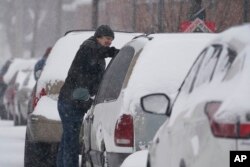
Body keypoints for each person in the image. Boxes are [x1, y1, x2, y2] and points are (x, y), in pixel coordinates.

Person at [56, 25, 119, 167]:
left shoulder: (95, 53)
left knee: (67, 141)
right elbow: (98, 51)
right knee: (71, 145)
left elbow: (95, 77)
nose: (109, 42)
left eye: (111, 40)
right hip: (70, 102)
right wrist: (116, 53)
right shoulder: (88, 47)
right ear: (98, 37)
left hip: (71, 101)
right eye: (107, 39)